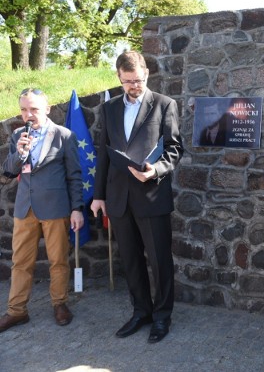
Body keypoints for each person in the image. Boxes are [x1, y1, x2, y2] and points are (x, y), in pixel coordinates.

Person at [90, 50, 183, 343]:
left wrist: (155, 170)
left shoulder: (164, 105)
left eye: (139, 80)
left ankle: (162, 316)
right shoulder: (109, 109)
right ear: (118, 77)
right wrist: (98, 195)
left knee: (159, 261)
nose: (134, 85)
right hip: (119, 198)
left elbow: (174, 149)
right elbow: (103, 154)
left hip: (152, 195)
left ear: (147, 74)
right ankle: (140, 311)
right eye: (128, 81)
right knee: (130, 260)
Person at [0, 88, 84, 332]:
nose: (29, 114)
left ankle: (60, 304)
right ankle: (16, 311)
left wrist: (77, 208)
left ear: (47, 109)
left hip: (55, 208)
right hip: (25, 208)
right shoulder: (18, 135)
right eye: (24, 109)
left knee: (58, 261)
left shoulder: (64, 135)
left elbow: (75, 176)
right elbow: (7, 172)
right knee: (20, 263)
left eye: (34, 109)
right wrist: (20, 153)